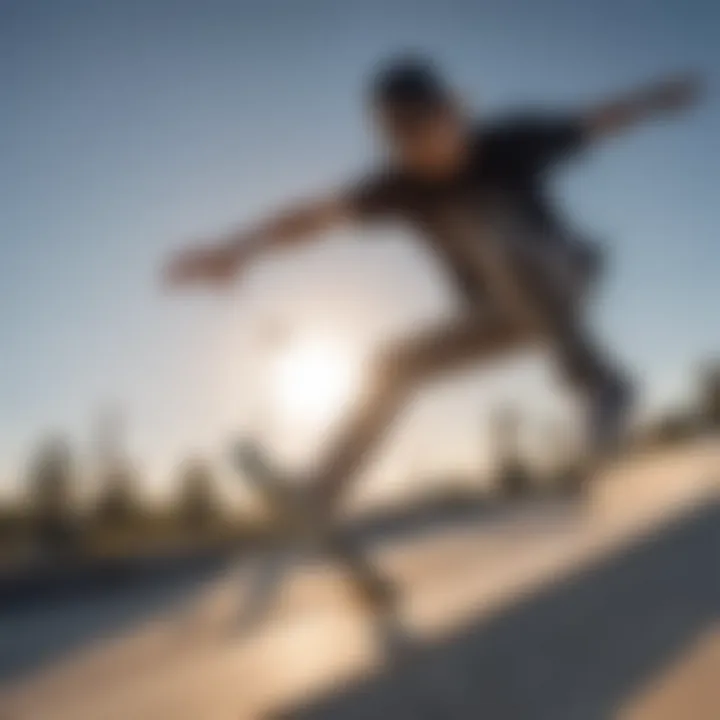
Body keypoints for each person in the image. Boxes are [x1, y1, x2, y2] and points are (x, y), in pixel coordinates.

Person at [164, 57, 702, 512]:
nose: (413, 146)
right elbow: (314, 217)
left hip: (566, 275)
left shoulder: (512, 142)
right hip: (499, 315)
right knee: (390, 363)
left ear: (453, 113)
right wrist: (235, 249)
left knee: (484, 219)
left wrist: (657, 98)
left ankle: (602, 385)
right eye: (396, 135)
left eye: (421, 126)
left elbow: (595, 120)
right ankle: (320, 492)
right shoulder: (401, 186)